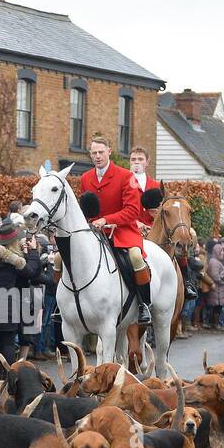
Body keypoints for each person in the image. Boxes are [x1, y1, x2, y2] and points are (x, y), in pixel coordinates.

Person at [80, 135, 152, 324]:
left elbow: (132, 211)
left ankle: (144, 304)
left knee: (136, 257)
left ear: (109, 152)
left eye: (101, 152)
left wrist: (107, 219)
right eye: (94, 153)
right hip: (95, 233)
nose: (97, 156)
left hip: (123, 231)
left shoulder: (126, 176)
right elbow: (85, 209)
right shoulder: (85, 178)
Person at [0, 221, 42, 382]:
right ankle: (9, 379)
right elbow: (32, 272)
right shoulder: (14, 261)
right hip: (8, 306)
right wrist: (32, 252)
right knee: (8, 344)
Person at [205, 242, 224, 329]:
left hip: (219, 290)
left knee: (218, 308)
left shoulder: (217, 261)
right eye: (221, 251)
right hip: (217, 290)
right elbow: (215, 276)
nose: (222, 253)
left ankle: (215, 324)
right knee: (216, 308)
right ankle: (215, 324)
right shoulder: (214, 262)